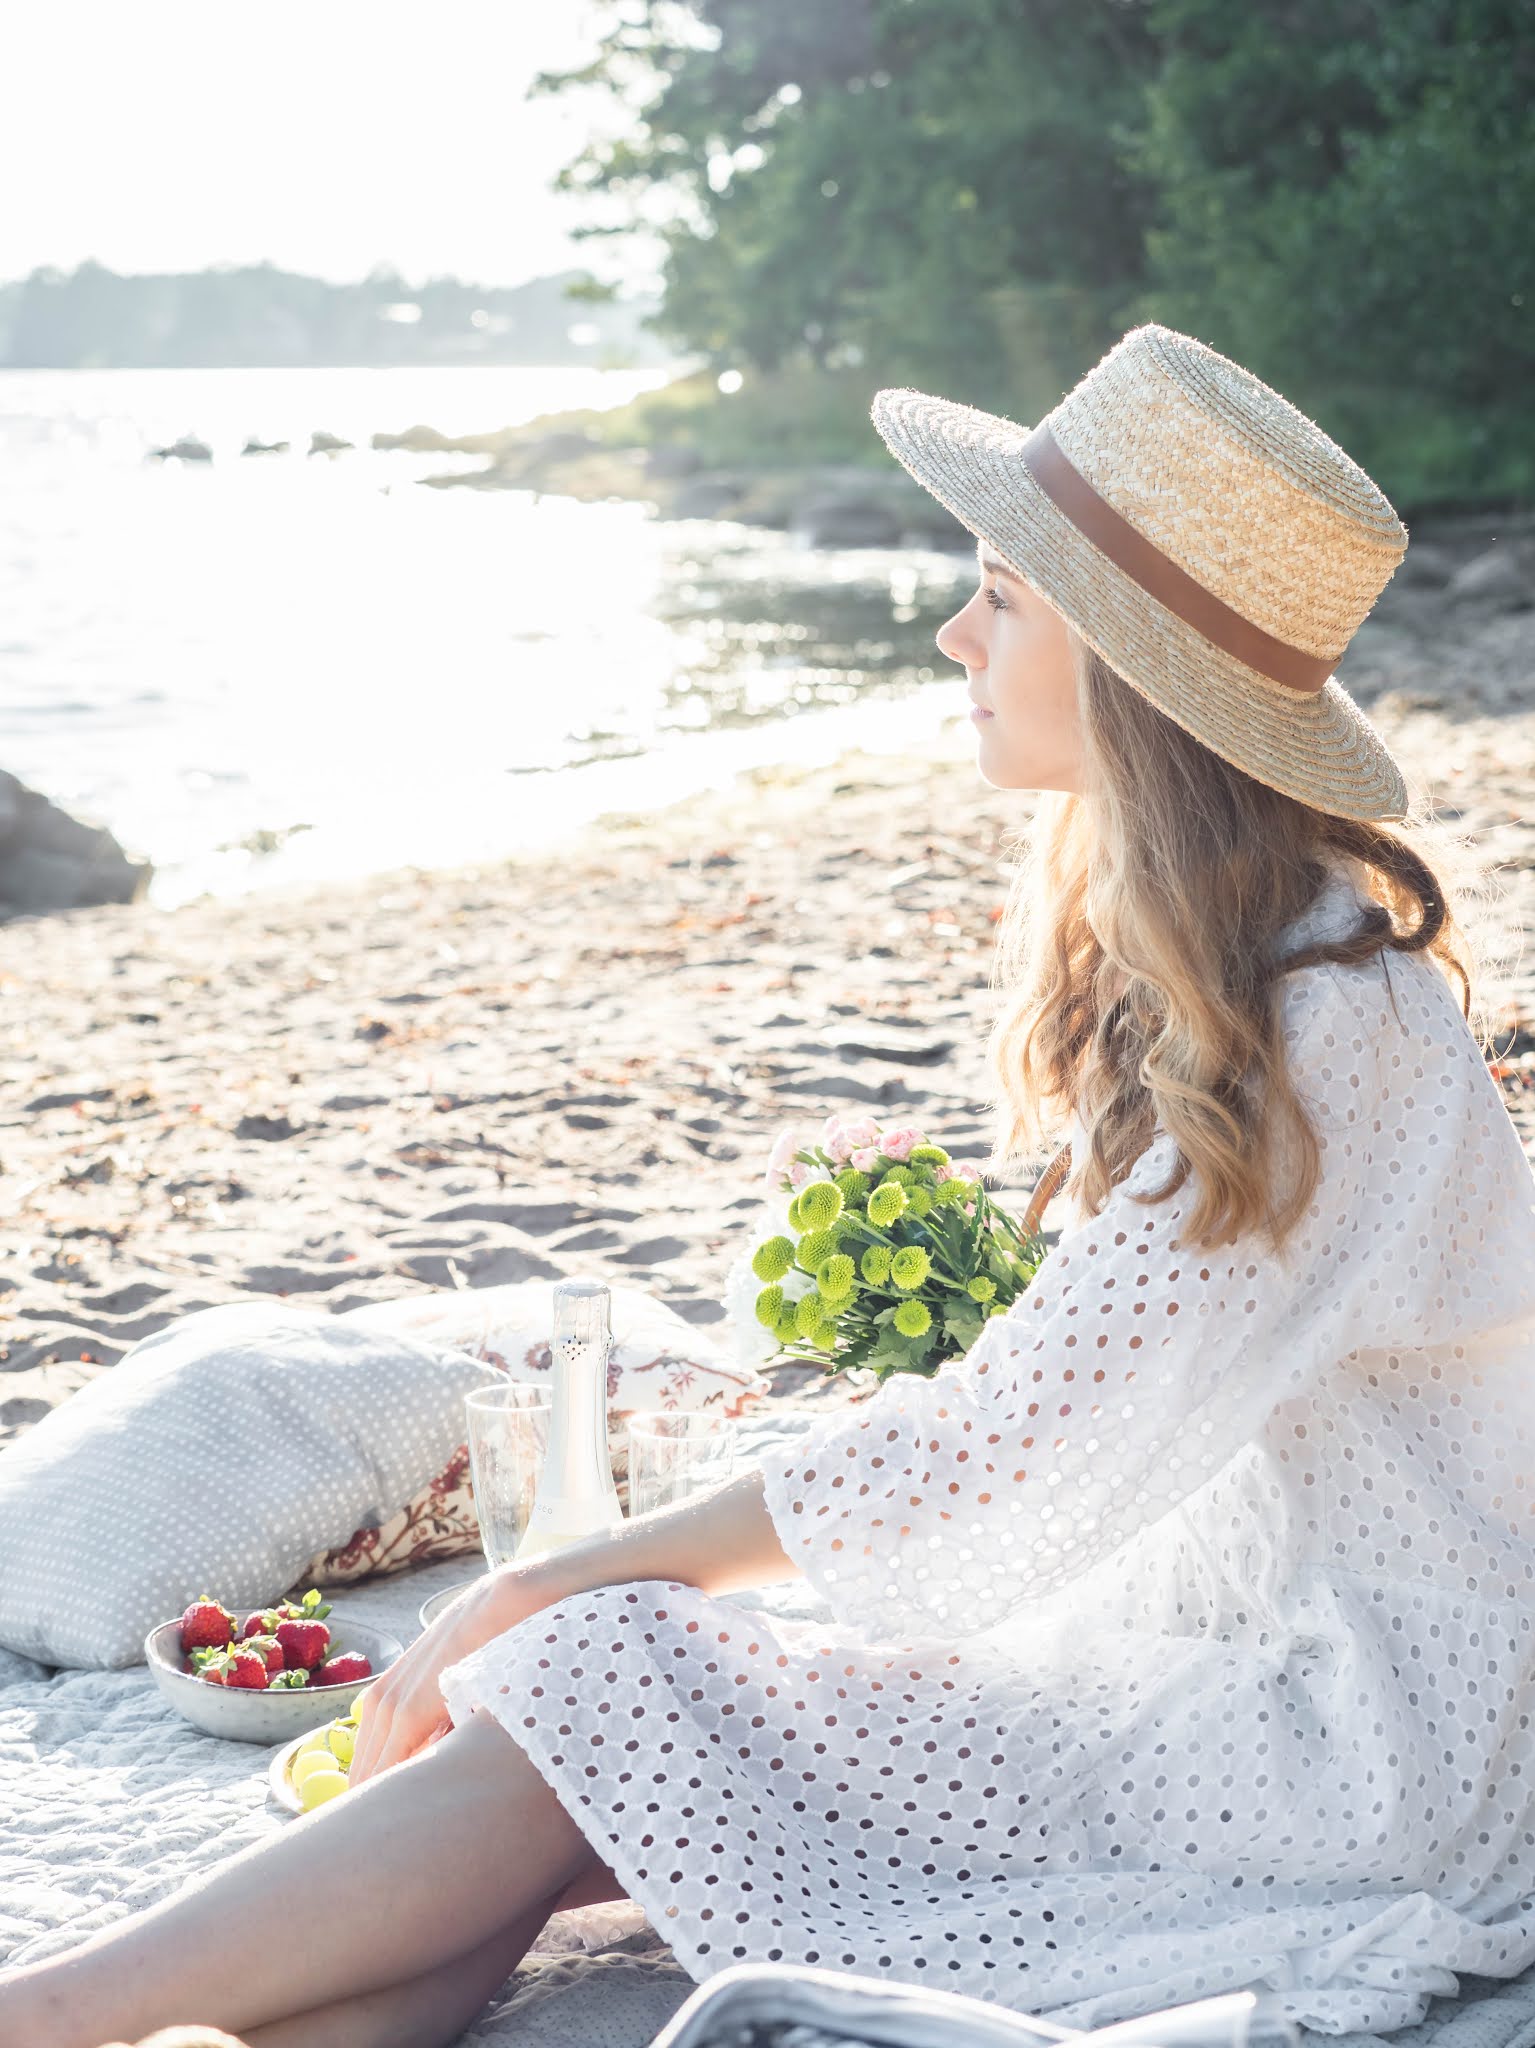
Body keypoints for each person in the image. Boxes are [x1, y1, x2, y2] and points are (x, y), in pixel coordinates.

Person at [6, 320, 1535, 2048]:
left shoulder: (1330, 1031)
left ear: (1126, 665)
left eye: (1000, 597)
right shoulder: (1257, 963)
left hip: (1351, 1745)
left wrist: (546, 1578)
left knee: (600, 1675)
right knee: (573, 1772)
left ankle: (44, 2013)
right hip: (1229, 1651)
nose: (953, 633)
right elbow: (1056, 1425)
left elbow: (993, 1448)